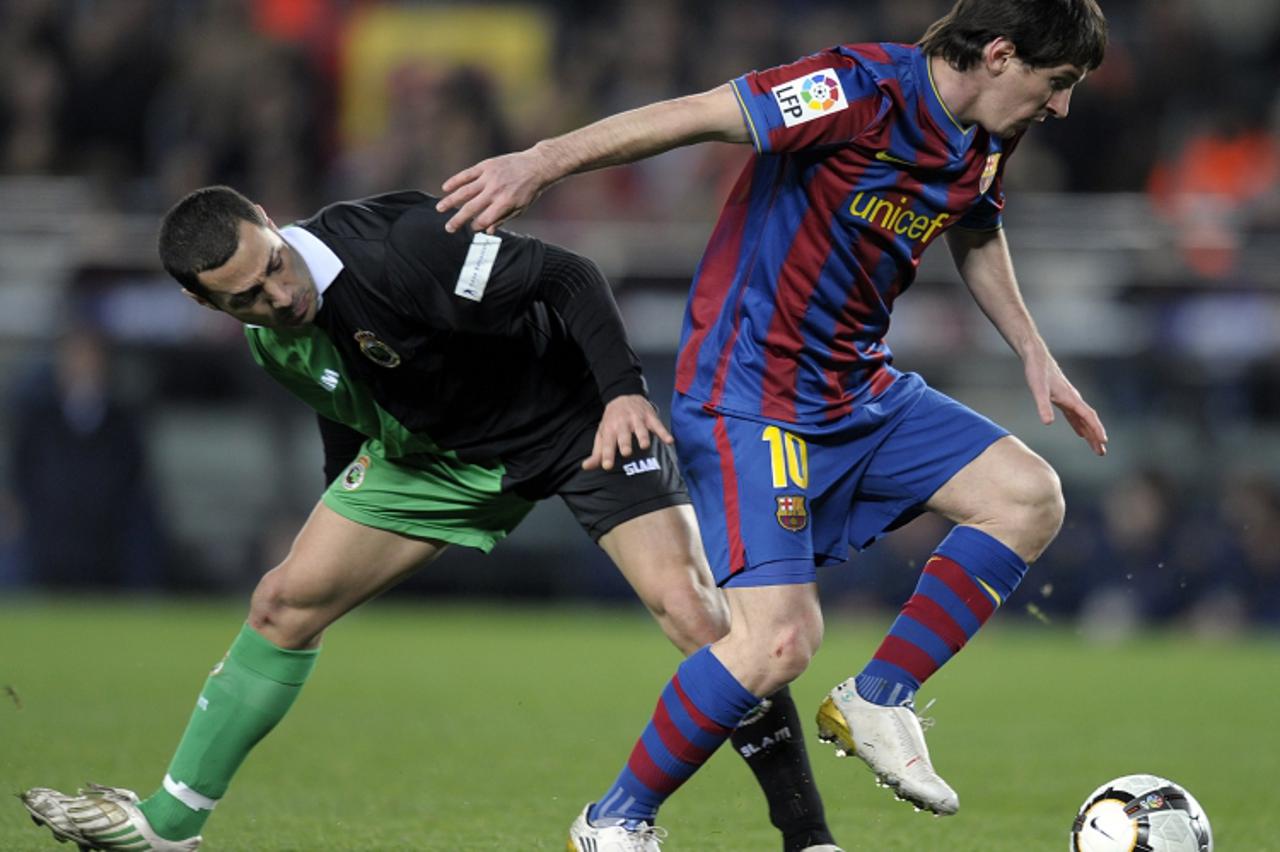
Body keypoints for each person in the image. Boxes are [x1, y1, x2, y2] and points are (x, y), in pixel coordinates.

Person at [437, 0, 1110, 848]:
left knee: (1027, 496)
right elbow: (694, 116)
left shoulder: (988, 132)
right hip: (756, 396)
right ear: (1002, 54)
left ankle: (878, 699)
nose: (1063, 108)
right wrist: (543, 161)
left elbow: (975, 225)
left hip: (860, 390)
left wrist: (1032, 350)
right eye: (1059, 83)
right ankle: (614, 822)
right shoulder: (853, 89)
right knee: (777, 644)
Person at [19, 186, 843, 852]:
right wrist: (339, 501)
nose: (278, 296)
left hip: (575, 425)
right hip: (436, 460)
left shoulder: (400, 248)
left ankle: (806, 839)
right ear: (207, 302)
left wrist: (624, 391)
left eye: (273, 266)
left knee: (701, 620)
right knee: (281, 603)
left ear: (272, 223)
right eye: (247, 297)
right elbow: (343, 406)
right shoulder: (271, 338)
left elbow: (569, 275)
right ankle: (172, 827)